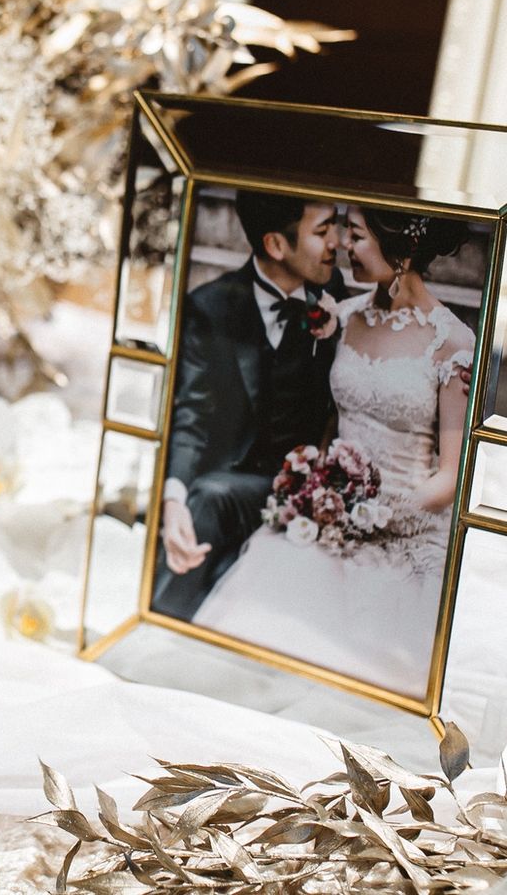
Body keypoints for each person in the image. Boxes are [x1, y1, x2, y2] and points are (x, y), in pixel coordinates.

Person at [192, 207, 474, 696]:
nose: (344, 244)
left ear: (401, 247)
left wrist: (377, 514)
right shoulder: (343, 316)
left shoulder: (452, 342)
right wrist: (315, 492)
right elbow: (327, 423)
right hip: (329, 513)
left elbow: (452, 476)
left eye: (357, 235)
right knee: (256, 628)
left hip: (405, 528)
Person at [153, 191, 348, 620]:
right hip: (231, 477)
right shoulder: (209, 307)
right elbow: (191, 416)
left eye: (336, 225)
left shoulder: (331, 294)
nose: (337, 241)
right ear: (276, 244)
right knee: (207, 498)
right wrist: (172, 499)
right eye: (322, 231)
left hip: (301, 484)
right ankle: (161, 622)